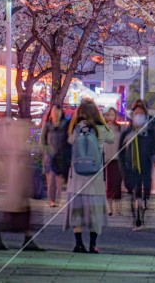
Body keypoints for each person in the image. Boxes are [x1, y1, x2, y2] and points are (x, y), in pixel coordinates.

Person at [64, 100, 114, 253]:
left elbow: (69, 141)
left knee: (76, 212)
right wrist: (103, 121)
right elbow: (111, 137)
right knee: (95, 213)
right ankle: (93, 245)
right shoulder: (100, 129)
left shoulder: (76, 129)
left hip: (76, 179)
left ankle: (78, 244)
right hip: (95, 179)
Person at [0, 117, 43, 251]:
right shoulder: (23, 136)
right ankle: (19, 239)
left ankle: (7, 238)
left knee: (19, 210)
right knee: (17, 211)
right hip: (18, 180)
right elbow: (34, 150)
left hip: (18, 180)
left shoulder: (14, 135)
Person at [119, 101, 155, 229]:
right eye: (136, 114)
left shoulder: (149, 133)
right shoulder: (127, 134)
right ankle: (137, 219)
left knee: (146, 189)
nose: (139, 116)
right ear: (132, 116)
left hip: (146, 165)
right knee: (135, 192)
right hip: (131, 167)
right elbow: (120, 152)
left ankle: (143, 206)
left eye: (141, 114)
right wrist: (123, 169)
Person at [41, 104, 70, 207]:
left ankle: (57, 199)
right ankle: (52, 200)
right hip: (50, 157)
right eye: (54, 111)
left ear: (61, 112)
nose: (56, 113)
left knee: (59, 181)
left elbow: (69, 140)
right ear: (51, 113)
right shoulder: (47, 125)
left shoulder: (65, 124)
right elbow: (42, 140)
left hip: (61, 157)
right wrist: (47, 150)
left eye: (58, 111)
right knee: (51, 181)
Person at [103, 107, 123, 216]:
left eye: (112, 114)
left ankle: (118, 208)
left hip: (118, 159)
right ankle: (109, 208)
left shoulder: (119, 128)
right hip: (108, 159)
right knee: (109, 184)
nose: (110, 116)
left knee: (117, 184)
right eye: (108, 114)